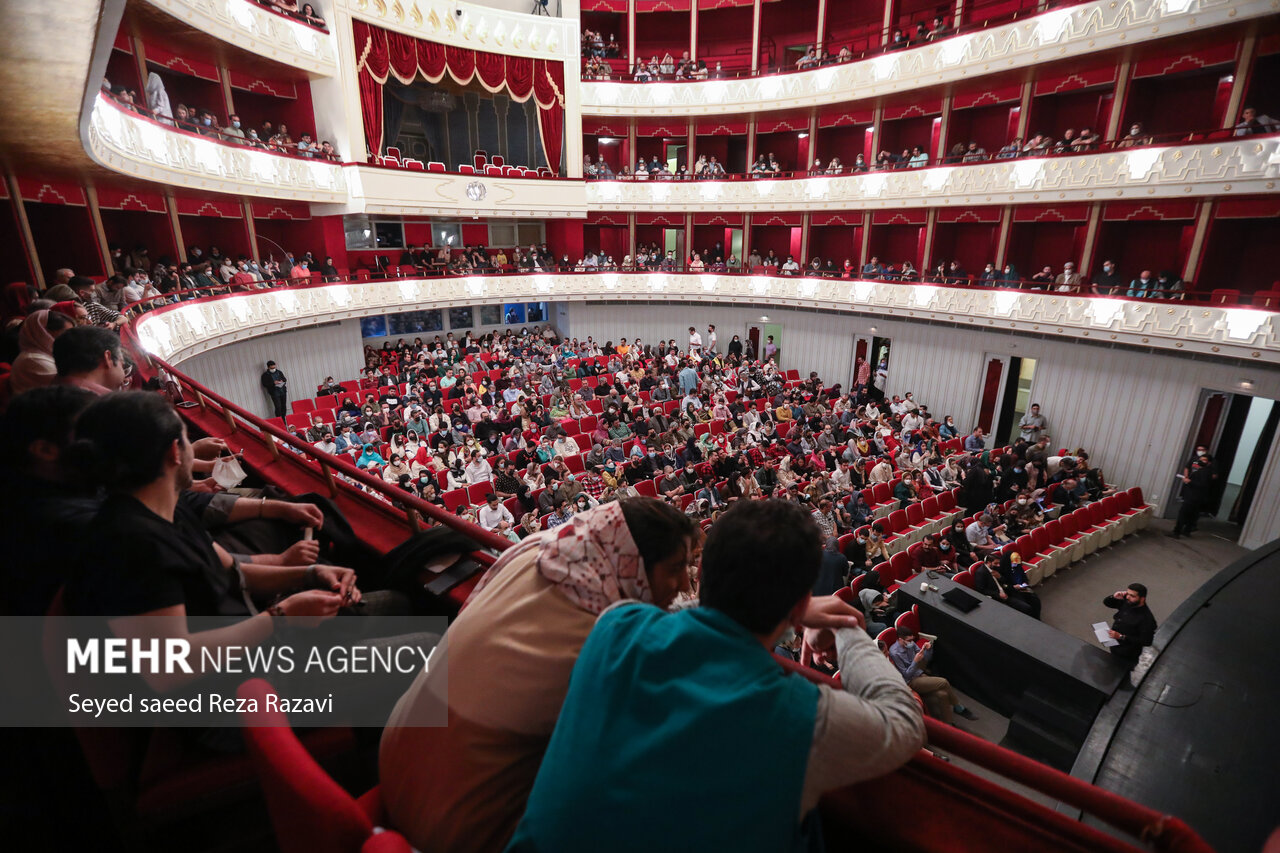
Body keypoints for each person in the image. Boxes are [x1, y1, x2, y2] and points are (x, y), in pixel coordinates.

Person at [505, 500, 924, 853]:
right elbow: (903, 719)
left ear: (700, 575)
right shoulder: (800, 715)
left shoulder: (616, 626)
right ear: (798, 607)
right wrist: (846, 628)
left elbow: (674, 616)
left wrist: (791, 610)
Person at [381, 499, 699, 853]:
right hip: (455, 826)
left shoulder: (535, 551)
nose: (684, 582)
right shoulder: (600, 640)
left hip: (396, 767)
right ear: (634, 566)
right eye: (675, 567)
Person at [887, 628, 977, 724]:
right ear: (900, 640)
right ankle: (958, 707)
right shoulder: (894, 652)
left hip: (920, 674)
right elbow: (906, 674)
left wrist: (928, 650)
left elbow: (926, 659)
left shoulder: (911, 645)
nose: (911, 642)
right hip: (911, 681)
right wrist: (915, 661)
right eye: (909, 640)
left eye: (912, 639)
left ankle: (948, 725)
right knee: (943, 682)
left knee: (943, 695)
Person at [1102, 583, 1157, 665]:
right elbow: (1108, 603)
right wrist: (1114, 597)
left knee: (1121, 673)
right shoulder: (1128, 602)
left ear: (1142, 599)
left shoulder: (1147, 619)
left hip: (1128, 654)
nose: (1127, 597)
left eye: (1132, 596)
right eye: (1127, 593)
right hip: (1115, 645)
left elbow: (1146, 641)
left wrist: (1121, 637)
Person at [1171, 450, 1216, 538]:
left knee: (1183, 513)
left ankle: (1177, 532)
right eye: (1201, 459)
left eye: (1204, 460)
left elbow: (1202, 485)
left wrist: (1189, 481)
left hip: (1194, 496)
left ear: (1209, 463)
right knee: (1193, 514)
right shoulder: (1201, 469)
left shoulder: (1205, 472)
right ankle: (1187, 531)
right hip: (1197, 496)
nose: (1201, 461)